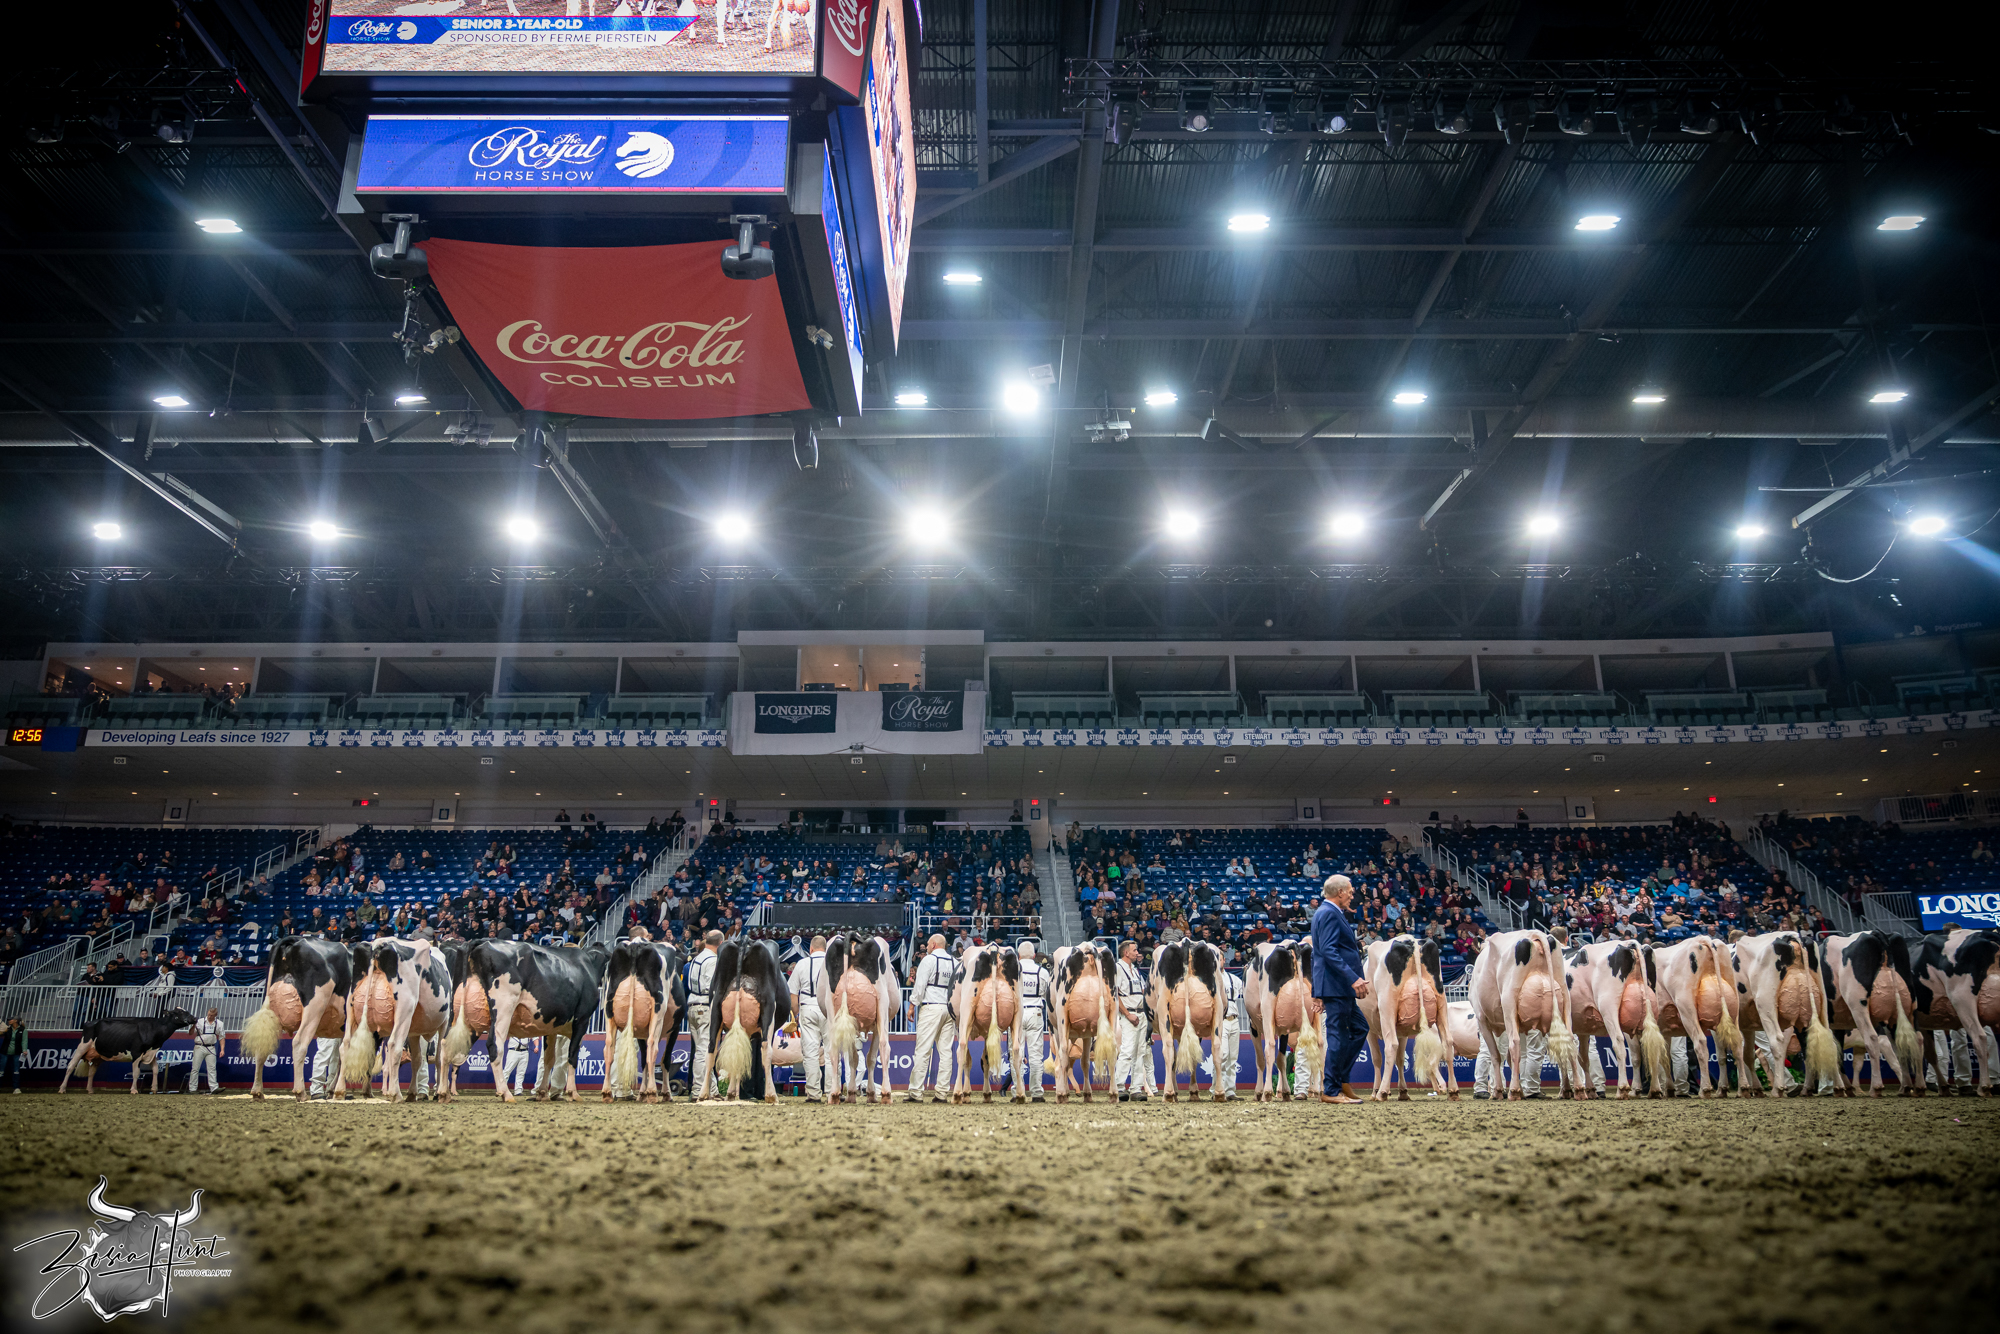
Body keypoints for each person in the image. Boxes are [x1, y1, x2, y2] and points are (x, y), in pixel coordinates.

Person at [1309, 875, 1370, 1104]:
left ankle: (1341, 1080)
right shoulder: (1329, 913)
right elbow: (1327, 951)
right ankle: (1331, 1091)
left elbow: (1318, 955)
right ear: (1341, 892)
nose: (1353, 895)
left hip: (1336, 986)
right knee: (1337, 1036)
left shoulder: (1327, 912)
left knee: (1360, 1028)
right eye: (1351, 891)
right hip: (1338, 986)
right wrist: (1353, 979)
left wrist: (1317, 991)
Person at [906, 934, 958, 1103]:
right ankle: (942, 1093)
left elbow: (920, 985)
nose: (926, 947)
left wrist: (912, 1005)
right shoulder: (955, 962)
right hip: (949, 1009)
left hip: (931, 1007)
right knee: (946, 1052)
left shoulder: (928, 960)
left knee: (923, 1050)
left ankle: (916, 1092)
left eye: (928, 944)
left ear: (934, 944)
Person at [786, 934, 829, 1103]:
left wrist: (796, 1014)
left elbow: (792, 993)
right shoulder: (832, 963)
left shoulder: (802, 964)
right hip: (829, 1008)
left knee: (810, 1053)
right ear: (825, 949)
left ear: (810, 949)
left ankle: (813, 1093)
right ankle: (832, 1091)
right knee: (831, 1051)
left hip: (808, 1007)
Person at [1111, 940, 1151, 1101]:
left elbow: (1142, 991)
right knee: (1127, 1050)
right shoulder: (1117, 968)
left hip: (1141, 1014)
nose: (1137, 953)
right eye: (1134, 950)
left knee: (1140, 1052)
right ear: (1126, 953)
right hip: (1130, 1014)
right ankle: (1119, 1086)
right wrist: (1127, 1014)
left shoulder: (1135, 970)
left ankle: (1136, 1088)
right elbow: (1115, 995)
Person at [686, 931, 721, 1099]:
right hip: (705, 1006)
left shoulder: (696, 958)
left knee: (702, 1049)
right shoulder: (713, 960)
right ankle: (699, 1089)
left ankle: (712, 1090)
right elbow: (710, 986)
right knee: (704, 1050)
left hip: (692, 1004)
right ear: (720, 944)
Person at [1016, 941, 1049, 1102]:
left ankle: (1018, 1091)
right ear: (1034, 956)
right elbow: (1047, 994)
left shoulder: (1012, 970)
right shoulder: (1042, 972)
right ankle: (1036, 1092)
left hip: (1017, 1012)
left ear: (1018, 955)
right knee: (1036, 1055)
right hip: (1035, 1011)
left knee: (1016, 1053)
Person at [186, 1006, 224, 1094]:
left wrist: (222, 1049)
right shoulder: (200, 1021)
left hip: (211, 1047)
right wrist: (194, 1025)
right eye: (209, 1014)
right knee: (195, 1068)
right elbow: (190, 1033)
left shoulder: (219, 1024)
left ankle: (214, 1088)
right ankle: (192, 1089)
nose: (209, 1016)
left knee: (212, 1068)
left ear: (215, 1015)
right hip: (199, 1047)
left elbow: (222, 1037)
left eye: (211, 1015)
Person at [3, 1016, 26, 1093]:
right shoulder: (7, 1029)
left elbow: (24, 1041)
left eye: (11, 1020)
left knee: (16, 1070)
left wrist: (24, 1050)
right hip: (5, 1052)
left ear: (15, 1021)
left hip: (16, 1052)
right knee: (1, 1070)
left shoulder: (22, 1030)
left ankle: (16, 1088)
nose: (9, 1021)